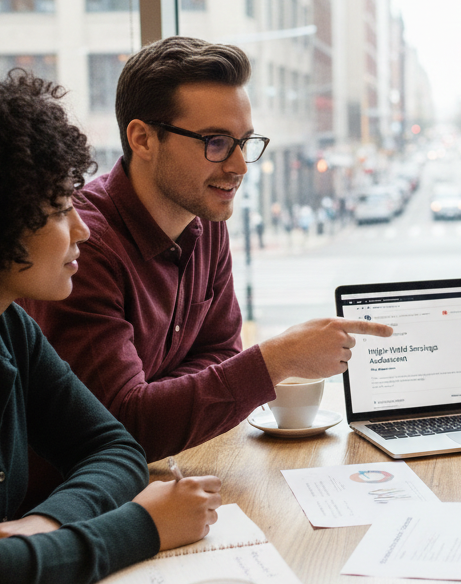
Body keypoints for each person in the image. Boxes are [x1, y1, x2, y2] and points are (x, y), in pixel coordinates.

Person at [0, 70, 221, 584]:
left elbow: (114, 445)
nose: (82, 231)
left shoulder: (7, 328)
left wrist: (43, 524)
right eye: (57, 209)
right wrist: (143, 525)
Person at [22, 37, 391, 467]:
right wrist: (277, 359)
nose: (238, 167)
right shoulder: (85, 245)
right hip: (71, 503)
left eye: (244, 142)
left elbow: (220, 352)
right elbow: (121, 428)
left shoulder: (204, 217)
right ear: (142, 139)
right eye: (216, 142)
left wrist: (159, 398)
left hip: (165, 471)